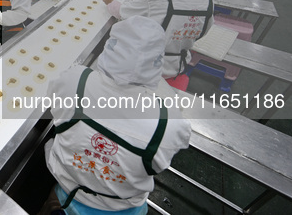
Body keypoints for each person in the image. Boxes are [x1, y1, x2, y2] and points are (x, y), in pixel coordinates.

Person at [43, 16, 191, 215]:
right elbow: (158, 165)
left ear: (110, 47)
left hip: (68, 197)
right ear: (157, 61)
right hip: (124, 209)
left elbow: (53, 100)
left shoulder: (74, 82)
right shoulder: (170, 123)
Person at [104, 0, 214, 90]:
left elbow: (123, 12)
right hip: (178, 65)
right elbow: (204, 30)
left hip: (146, 67)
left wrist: (109, 2)